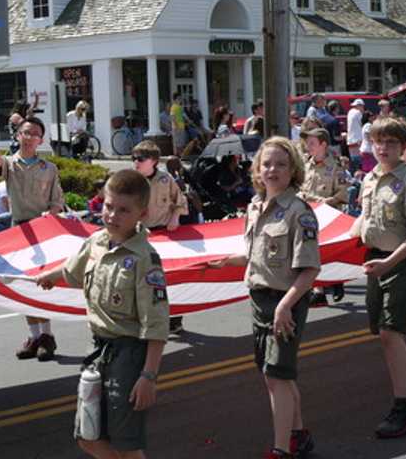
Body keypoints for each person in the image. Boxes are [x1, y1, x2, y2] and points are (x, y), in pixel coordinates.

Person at [34, 169, 169, 459]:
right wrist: (50, 276)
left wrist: (149, 376)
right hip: (96, 351)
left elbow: (156, 324)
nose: (113, 215)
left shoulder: (145, 259)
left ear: (141, 214)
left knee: (126, 444)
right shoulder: (96, 242)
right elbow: (72, 270)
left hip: (129, 356)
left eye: (123, 210)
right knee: (88, 436)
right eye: (109, 206)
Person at [208, 136, 320, 459]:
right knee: (276, 374)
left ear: (293, 169)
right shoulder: (255, 207)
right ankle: (299, 434)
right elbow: (254, 254)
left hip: (286, 302)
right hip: (259, 301)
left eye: (281, 164)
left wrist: (285, 306)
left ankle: (281, 449)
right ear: (257, 169)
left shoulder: (299, 213)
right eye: (267, 164)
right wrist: (225, 261)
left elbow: (310, 269)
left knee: (276, 374)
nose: (272, 170)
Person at [350, 118, 406, 438]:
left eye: (391, 143)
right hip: (375, 261)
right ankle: (403, 400)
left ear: (404, 147)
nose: (383, 148)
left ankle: (404, 407)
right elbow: (365, 218)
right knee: (382, 332)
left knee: (390, 332)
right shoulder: (370, 178)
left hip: (401, 262)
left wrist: (388, 263)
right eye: (378, 141)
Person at [0, 117, 64, 361]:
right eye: (25, 133)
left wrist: (50, 213)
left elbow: (57, 201)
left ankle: (46, 337)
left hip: (42, 231)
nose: (29, 137)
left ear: (41, 140)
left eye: (35, 134)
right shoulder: (11, 164)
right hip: (19, 230)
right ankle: (33, 335)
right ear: (18, 136)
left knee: (41, 283)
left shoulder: (48, 169)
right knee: (23, 284)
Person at [132, 140, 188, 334]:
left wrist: (175, 217)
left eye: (140, 158)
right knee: (143, 279)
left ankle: (175, 318)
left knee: (168, 278)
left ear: (154, 161)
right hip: (140, 236)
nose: (136, 162)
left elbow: (180, 201)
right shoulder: (131, 181)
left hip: (164, 234)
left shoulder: (166, 180)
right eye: (134, 158)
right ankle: (146, 319)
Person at [298, 128, 348, 306]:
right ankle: (318, 290)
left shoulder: (335, 167)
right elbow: (300, 188)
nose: (308, 147)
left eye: (312, 143)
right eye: (307, 143)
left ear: (323, 145)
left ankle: (336, 281)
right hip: (306, 217)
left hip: (328, 217)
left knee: (328, 253)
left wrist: (322, 202)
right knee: (311, 254)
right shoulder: (305, 165)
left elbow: (342, 195)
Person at [346, 98, 365, 172]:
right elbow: (362, 123)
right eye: (362, 107)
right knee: (358, 161)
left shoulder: (350, 112)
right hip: (358, 139)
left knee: (353, 160)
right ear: (359, 106)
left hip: (350, 140)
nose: (363, 109)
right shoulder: (358, 113)